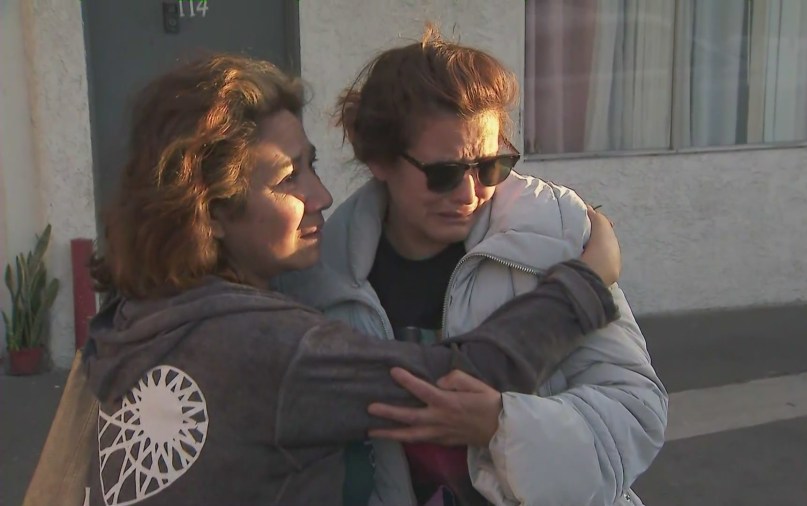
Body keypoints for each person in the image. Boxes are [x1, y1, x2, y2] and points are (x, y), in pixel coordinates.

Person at [80, 53, 623, 506]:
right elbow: (456, 382)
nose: (321, 196)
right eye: (289, 177)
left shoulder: (134, 323)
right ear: (211, 210)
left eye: (490, 166)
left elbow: (628, 409)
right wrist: (586, 283)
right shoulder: (269, 344)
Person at [277, 26, 668, 506]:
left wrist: (502, 425)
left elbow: (637, 411)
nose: (469, 196)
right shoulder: (320, 276)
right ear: (378, 159)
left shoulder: (555, 229)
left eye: (490, 167)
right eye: (443, 174)